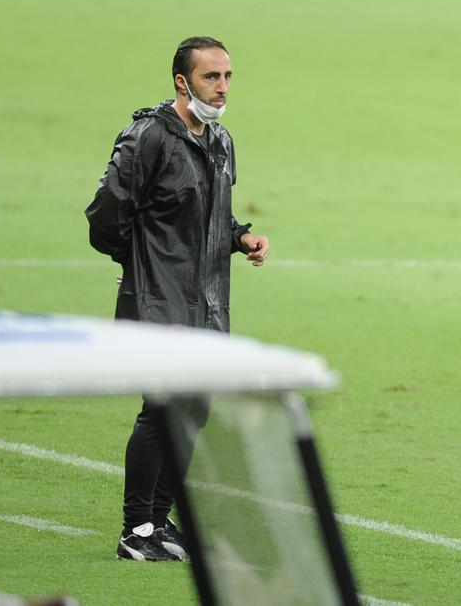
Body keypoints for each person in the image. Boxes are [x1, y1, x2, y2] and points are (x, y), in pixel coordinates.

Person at [85, 36, 269, 562]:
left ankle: (158, 521)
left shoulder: (221, 140)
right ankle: (134, 530)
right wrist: (134, 263)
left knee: (195, 407)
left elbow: (211, 215)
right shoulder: (147, 137)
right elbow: (105, 218)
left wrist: (240, 238)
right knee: (162, 406)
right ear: (181, 82)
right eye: (212, 77)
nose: (223, 86)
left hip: (208, 299)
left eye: (228, 75)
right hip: (159, 298)